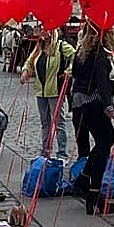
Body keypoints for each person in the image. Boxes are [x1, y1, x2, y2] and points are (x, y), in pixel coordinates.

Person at [70, 22, 114, 215]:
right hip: (94, 101)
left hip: (79, 103)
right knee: (106, 141)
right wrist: (108, 105)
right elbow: (102, 80)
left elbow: (74, 74)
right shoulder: (100, 53)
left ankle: (86, 181)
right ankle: (92, 190)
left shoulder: (81, 51)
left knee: (102, 143)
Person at [20, 28, 74, 160]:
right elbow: (29, 61)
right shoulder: (39, 47)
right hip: (41, 91)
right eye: (41, 29)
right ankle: (45, 151)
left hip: (55, 90)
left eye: (46, 29)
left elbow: (75, 56)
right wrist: (25, 71)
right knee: (45, 123)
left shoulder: (61, 46)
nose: (43, 31)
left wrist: (69, 70)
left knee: (59, 123)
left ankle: (62, 153)